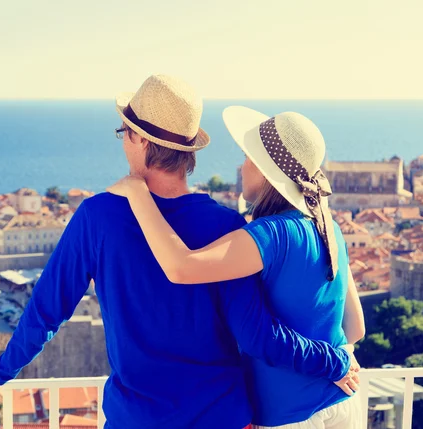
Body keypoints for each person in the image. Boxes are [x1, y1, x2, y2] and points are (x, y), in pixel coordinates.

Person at [0, 76, 359, 429]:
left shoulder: (98, 217)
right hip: (226, 416)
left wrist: (1, 374)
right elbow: (253, 333)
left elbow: (46, 310)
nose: (124, 144)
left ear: (141, 140)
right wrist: (334, 360)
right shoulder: (229, 226)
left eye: (123, 133)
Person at [106, 106, 366, 429]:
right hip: (346, 402)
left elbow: (181, 267)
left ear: (264, 168)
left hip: (290, 418)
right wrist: (337, 364)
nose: (241, 166)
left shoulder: (270, 235)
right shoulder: (330, 228)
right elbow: (355, 329)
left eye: (246, 156)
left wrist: (136, 191)